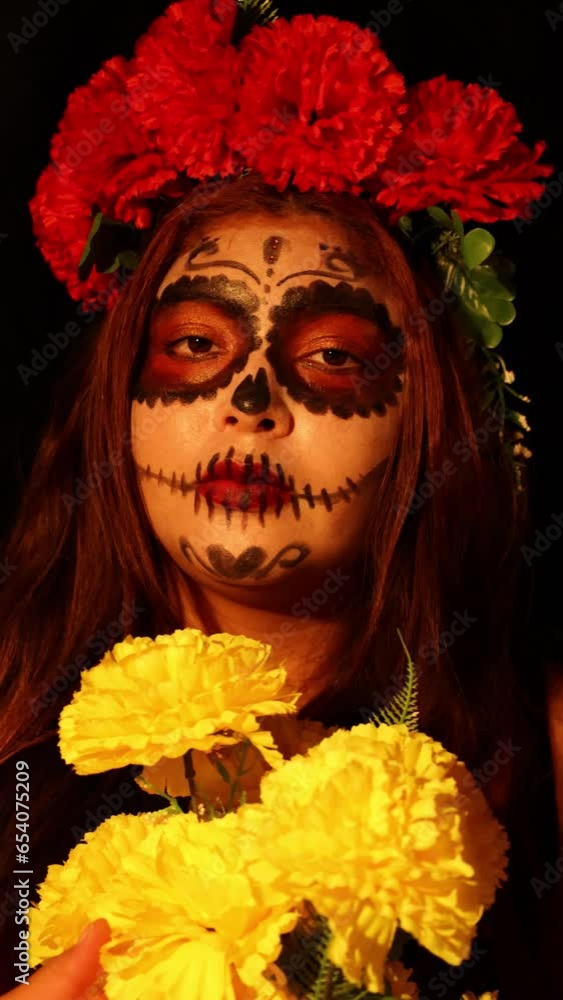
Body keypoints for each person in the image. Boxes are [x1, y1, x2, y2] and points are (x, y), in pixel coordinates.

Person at [0, 1, 560, 996]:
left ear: (421, 432)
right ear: (116, 405)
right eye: (194, 348)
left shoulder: (542, 752)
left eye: (333, 358)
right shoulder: (6, 732)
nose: (248, 402)